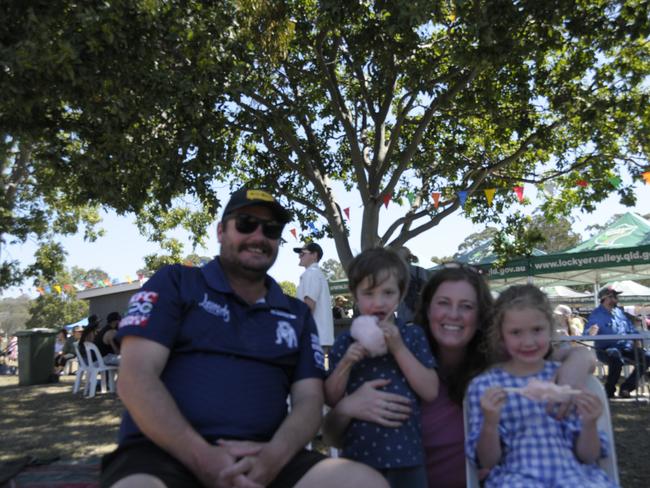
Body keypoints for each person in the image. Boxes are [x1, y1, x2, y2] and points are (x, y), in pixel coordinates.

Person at [101, 186, 388, 488]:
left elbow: (309, 401)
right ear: (220, 231)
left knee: (363, 481)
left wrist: (271, 460)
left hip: (266, 456)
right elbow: (135, 378)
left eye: (271, 229)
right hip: (163, 454)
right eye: (246, 223)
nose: (258, 236)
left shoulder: (296, 314)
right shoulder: (176, 282)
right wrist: (205, 459)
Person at [323, 264, 596, 488]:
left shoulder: (501, 368)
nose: (453, 314)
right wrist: (347, 407)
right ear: (428, 309)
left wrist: (578, 361)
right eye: (444, 303)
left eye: (466, 306)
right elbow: (334, 437)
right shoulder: (395, 360)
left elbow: (573, 357)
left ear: (480, 316)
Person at [465, 284, 616, 487]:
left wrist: (589, 424)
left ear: (550, 328)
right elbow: (487, 461)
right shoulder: (486, 386)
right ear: (501, 336)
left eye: (537, 330)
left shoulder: (565, 379)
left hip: (573, 477)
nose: (528, 342)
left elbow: (588, 457)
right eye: (516, 332)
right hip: (516, 479)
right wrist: (490, 423)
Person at [325, 248, 438, 488]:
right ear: (355, 294)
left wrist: (398, 348)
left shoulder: (411, 336)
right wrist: (346, 362)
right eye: (368, 293)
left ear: (400, 294)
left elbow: (430, 391)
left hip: (408, 458)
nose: (379, 302)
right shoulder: (345, 342)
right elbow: (332, 397)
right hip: (357, 459)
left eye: (388, 292)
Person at [586, 286, 650, 398]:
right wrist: (591, 331)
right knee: (615, 354)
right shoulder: (596, 314)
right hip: (605, 350)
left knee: (647, 357)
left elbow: (632, 330)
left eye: (616, 296)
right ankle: (609, 391)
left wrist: (637, 339)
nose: (617, 299)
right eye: (614, 296)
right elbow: (587, 332)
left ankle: (626, 388)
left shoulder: (620, 313)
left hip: (626, 348)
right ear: (605, 298)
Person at [294, 242, 335, 351]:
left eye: (302, 253)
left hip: (312, 337)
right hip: (319, 337)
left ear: (314, 255)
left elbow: (308, 306)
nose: (299, 256)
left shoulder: (311, 273)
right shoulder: (316, 273)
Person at [395, 247, 429, 324]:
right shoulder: (419, 270)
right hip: (407, 310)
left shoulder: (418, 270)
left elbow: (426, 290)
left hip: (414, 310)